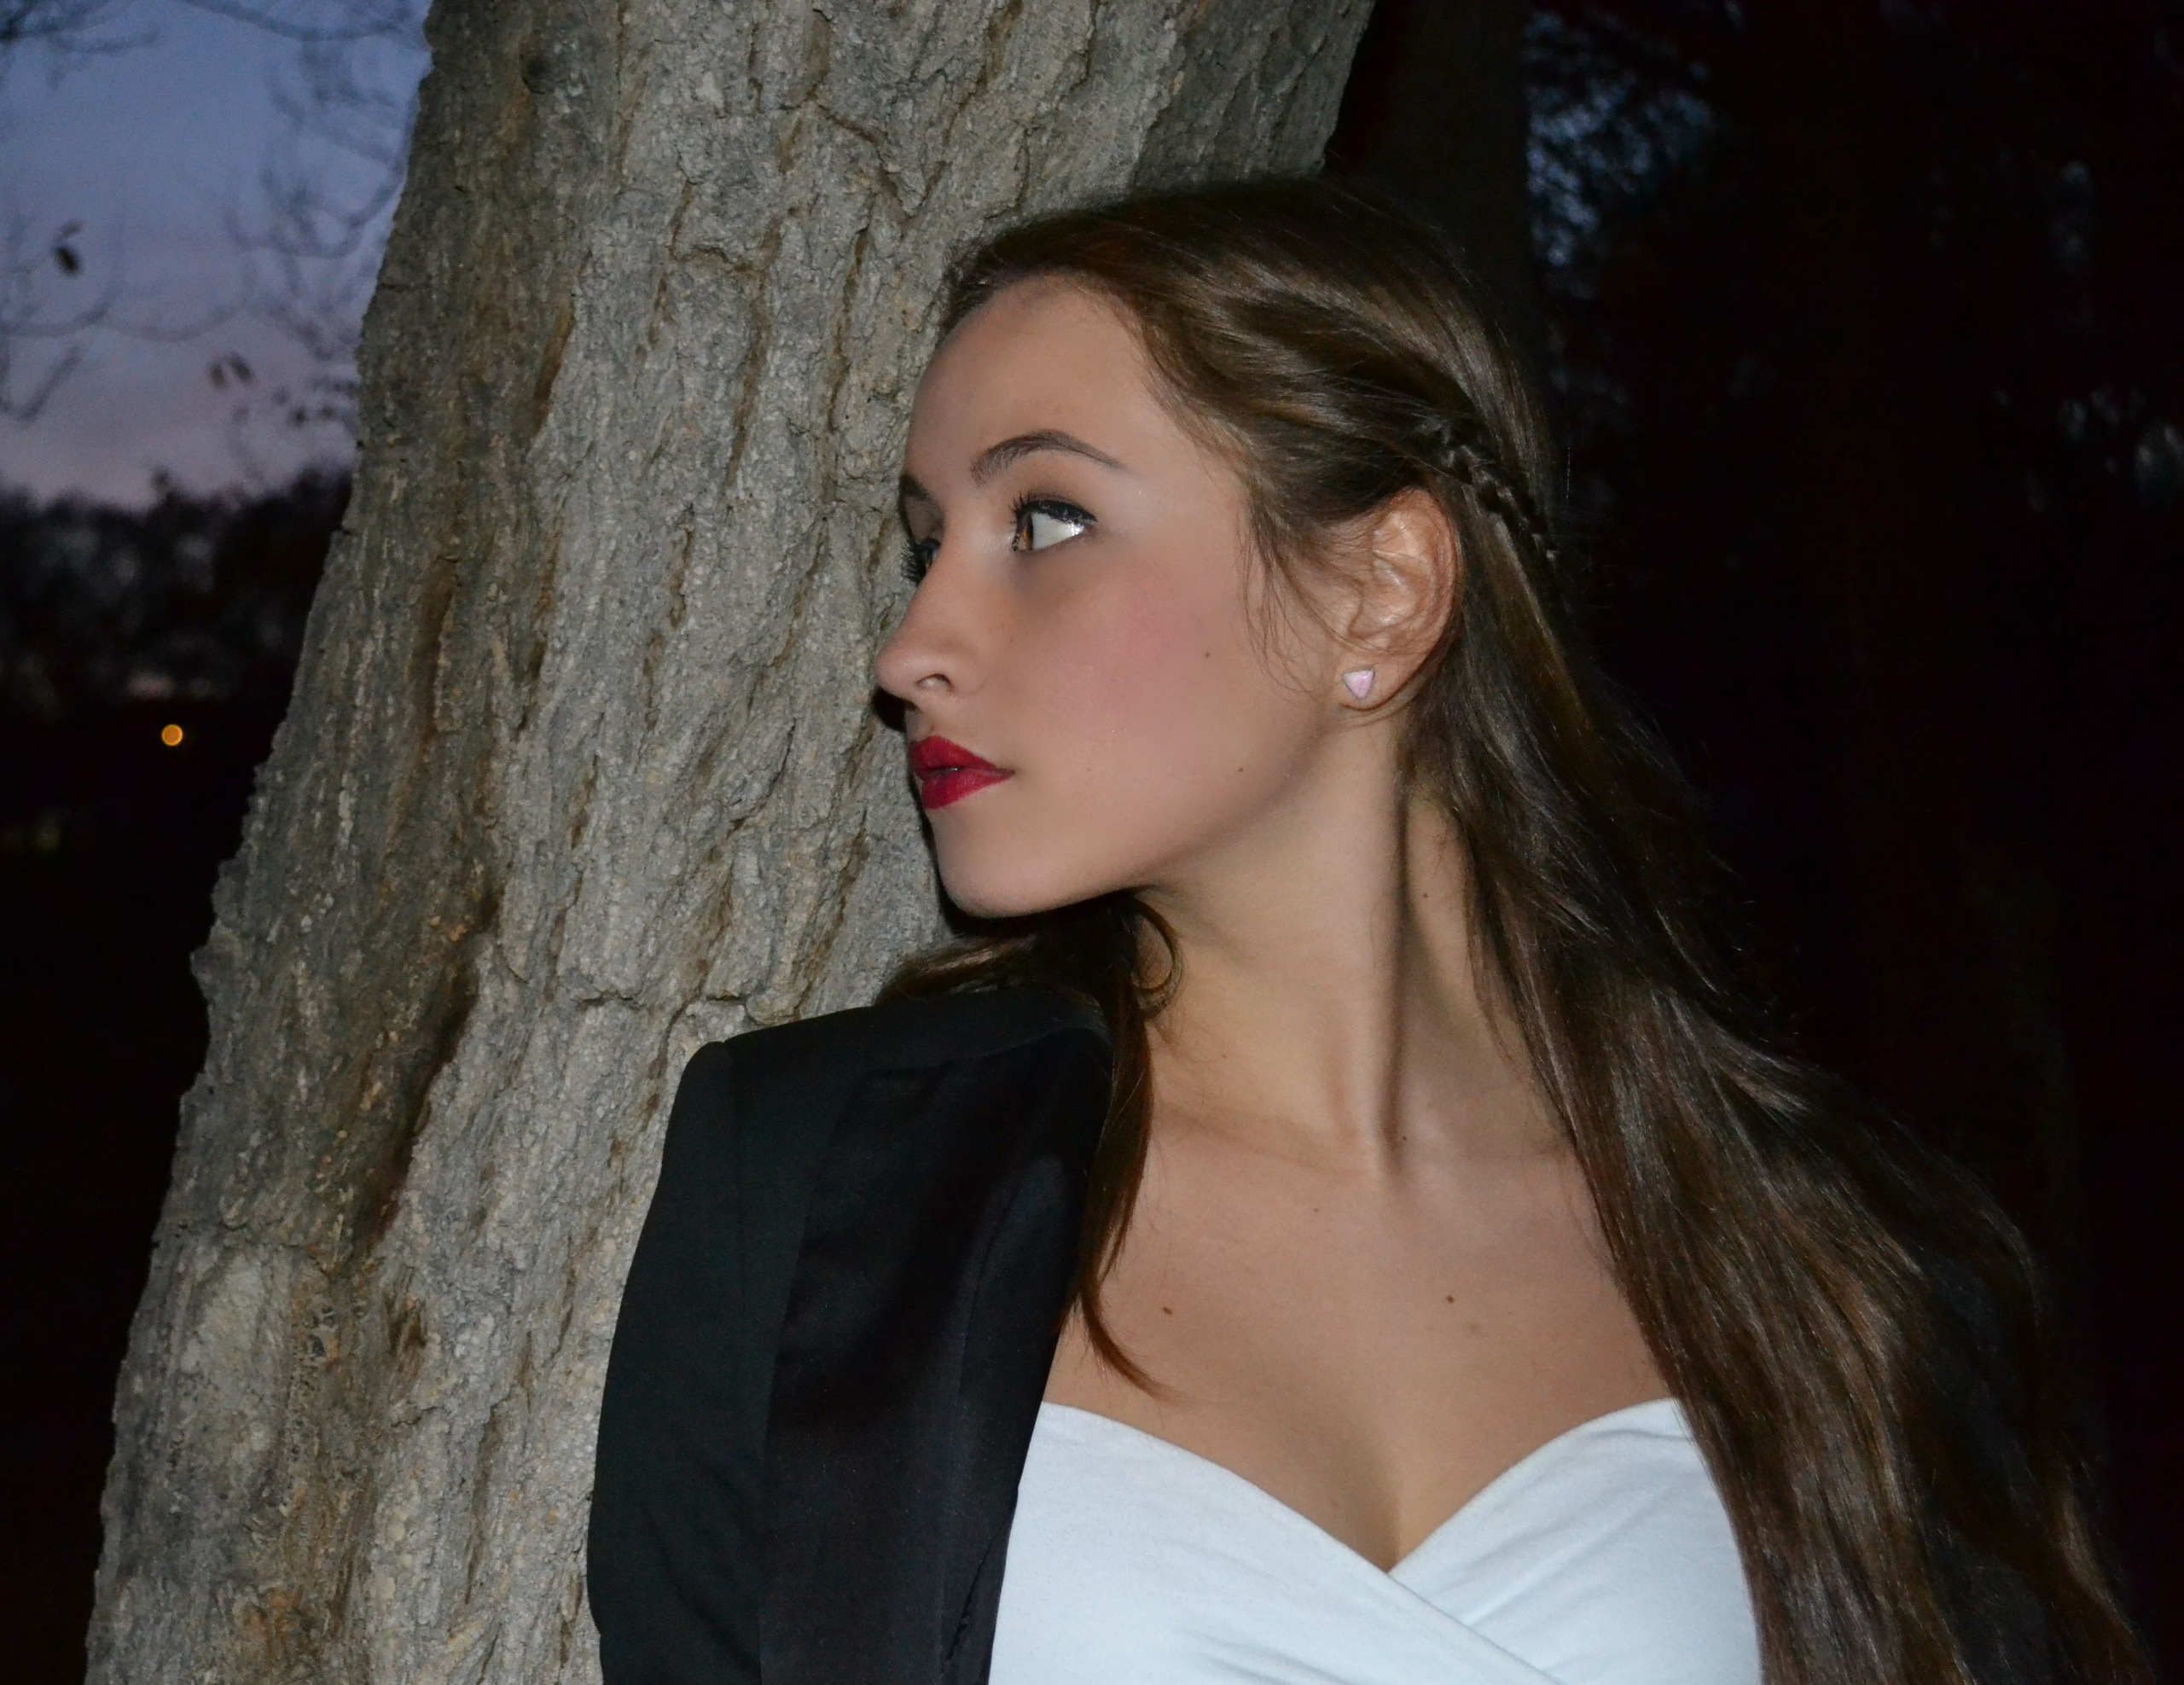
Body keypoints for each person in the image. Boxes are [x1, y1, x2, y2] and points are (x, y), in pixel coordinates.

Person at [586, 180, 2147, 1685]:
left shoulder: (1851, 1266)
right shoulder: (820, 1193)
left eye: (1046, 520)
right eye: (930, 543)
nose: (912, 645)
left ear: (1382, 592)